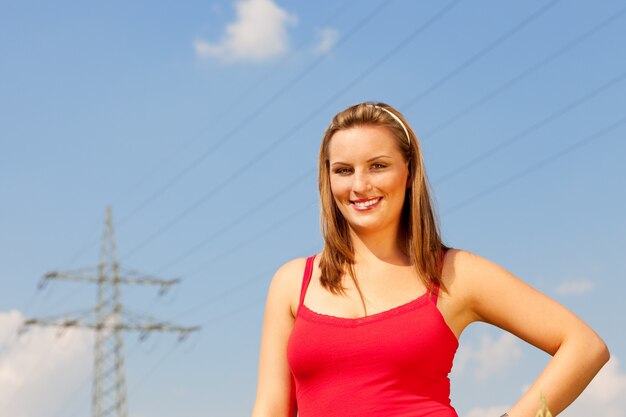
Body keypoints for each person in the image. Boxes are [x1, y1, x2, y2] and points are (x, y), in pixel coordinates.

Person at [251, 102, 609, 417]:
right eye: (343, 170)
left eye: (378, 166)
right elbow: (269, 410)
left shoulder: (456, 273)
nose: (359, 185)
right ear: (326, 179)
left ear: (409, 173)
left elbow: (584, 346)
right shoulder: (293, 282)